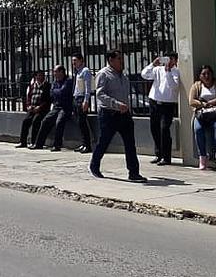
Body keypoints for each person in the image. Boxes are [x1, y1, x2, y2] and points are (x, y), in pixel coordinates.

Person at [88, 50, 146, 182]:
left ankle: (134, 172)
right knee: (104, 141)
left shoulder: (123, 77)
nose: (122, 61)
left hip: (124, 115)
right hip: (109, 114)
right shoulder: (103, 74)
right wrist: (116, 104)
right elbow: (100, 94)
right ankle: (94, 165)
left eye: (122, 58)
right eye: (119, 59)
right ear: (111, 60)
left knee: (130, 144)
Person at [141, 52, 180, 166]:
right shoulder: (158, 69)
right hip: (154, 101)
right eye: (168, 59)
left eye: (172, 59)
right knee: (155, 128)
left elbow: (174, 86)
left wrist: (168, 72)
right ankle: (158, 154)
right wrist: (152, 64)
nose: (169, 61)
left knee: (164, 129)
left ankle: (166, 157)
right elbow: (144, 74)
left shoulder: (176, 72)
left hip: (167, 104)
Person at [188, 65, 216, 170]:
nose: (206, 76)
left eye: (208, 74)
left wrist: (214, 101)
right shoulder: (196, 86)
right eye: (203, 74)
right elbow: (191, 101)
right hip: (202, 114)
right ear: (200, 76)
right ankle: (202, 156)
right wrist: (203, 104)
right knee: (198, 129)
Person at [32, 65, 74, 151]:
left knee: (59, 122)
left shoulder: (68, 81)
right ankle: (39, 143)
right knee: (45, 121)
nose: (54, 74)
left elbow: (63, 92)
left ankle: (57, 145)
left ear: (61, 72)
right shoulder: (55, 82)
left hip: (65, 107)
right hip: (56, 106)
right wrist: (57, 92)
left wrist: (56, 91)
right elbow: (51, 93)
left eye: (55, 72)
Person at [16, 71, 50, 148]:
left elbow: (47, 100)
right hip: (32, 108)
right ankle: (23, 142)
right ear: (35, 77)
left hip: (41, 109)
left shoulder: (47, 86)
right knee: (26, 121)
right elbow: (29, 97)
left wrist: (40, 107)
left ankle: (34, 142)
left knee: (36, 121)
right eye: (39, 76)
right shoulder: (32, 86)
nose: (41, 77)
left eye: (42, 76)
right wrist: (28, 106)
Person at [71, 54, 94, 154]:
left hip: (81, 99)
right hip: (76, 98)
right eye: (73, 61)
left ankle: (87, 145)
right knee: (79, 123)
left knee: (83, 122)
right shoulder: (78, 72)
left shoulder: (85, 71)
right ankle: (83, 143)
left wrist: (86, 100)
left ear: (81, 60)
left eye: (75, 60)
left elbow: (88, 87)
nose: (74, 63)